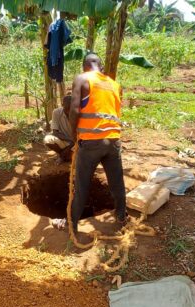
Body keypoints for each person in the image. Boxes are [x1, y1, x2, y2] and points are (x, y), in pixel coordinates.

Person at [65, 53, 127, 244]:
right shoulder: (114, 84)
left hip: (91, 142)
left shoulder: (82, 79)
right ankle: (121, 216)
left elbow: (75, 110)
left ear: (85, 67)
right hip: (113, 141)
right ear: (100, 67)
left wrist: (73, 136)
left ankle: (73, 224)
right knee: (116, 182)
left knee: (82, 185)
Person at [43, 95, 74, 164]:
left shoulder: (78, 113)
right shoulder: (56, 112)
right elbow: (55, 132)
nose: (69, 112)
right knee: (47, 139)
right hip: (65, 140)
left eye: (70, 109)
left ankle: (64, 156)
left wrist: (74, 142)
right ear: (62, 105)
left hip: (77, 142)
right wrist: (70, 140)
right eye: (67, 109)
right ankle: (66, 154)